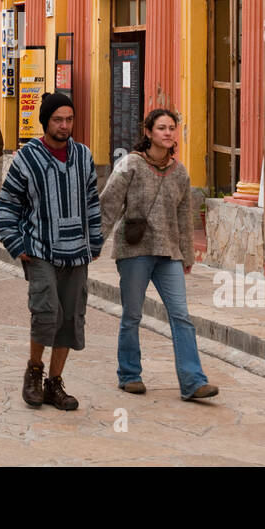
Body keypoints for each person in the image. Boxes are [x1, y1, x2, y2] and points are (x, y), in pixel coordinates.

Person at [101, 109, 218, 402]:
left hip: (168, 254)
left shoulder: (180, 172)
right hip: (134, 252)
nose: (167, 133)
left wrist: (187, 255)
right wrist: (93, 244)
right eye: (162, 128)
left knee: (181, 316)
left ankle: (193, 382)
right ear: (149, 132)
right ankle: (129, 375)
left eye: (171, 128)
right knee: (132, 315)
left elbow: (184, 217)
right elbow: (109, 205)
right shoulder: (130, 164)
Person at [0, 92, 103, 411]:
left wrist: (94, 241)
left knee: (70, 318)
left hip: (77, 253)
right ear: (45, 122)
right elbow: (7, 205)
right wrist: (17, 244)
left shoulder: (83, 156)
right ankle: (33, 373)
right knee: (46, 313)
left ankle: (54, 384)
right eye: (58, 119)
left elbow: (92, 202)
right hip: (40, 248)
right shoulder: (27, 157)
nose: (64, 125)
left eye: (69, 119)